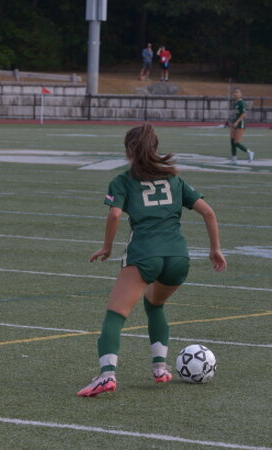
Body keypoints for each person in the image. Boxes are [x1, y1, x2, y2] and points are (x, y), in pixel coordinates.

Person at [76, 123, 227, 398]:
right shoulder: (175, 180)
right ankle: (159, 367)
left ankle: (106, 376)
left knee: (115, 315)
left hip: (145, 255)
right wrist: (215, 249)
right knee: (154, 304)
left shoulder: (122, 181)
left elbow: (115, 215)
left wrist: (107, 247)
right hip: (178, 257)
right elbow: (208, 212)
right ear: (155, 148)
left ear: (129, 150)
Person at [228, 88, 254, 164]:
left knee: (236, 142)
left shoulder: (242, 103)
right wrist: (232, 122)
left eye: (237, 92)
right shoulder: (235, 103)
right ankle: (234, 159)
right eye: (234, 92)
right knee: (232, 141)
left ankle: (249, 152)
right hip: (234, 124)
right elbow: (235, 114)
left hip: (240, 124)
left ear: (241, 94)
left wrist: (237, 122)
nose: (235, 94)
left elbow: (244, 114)